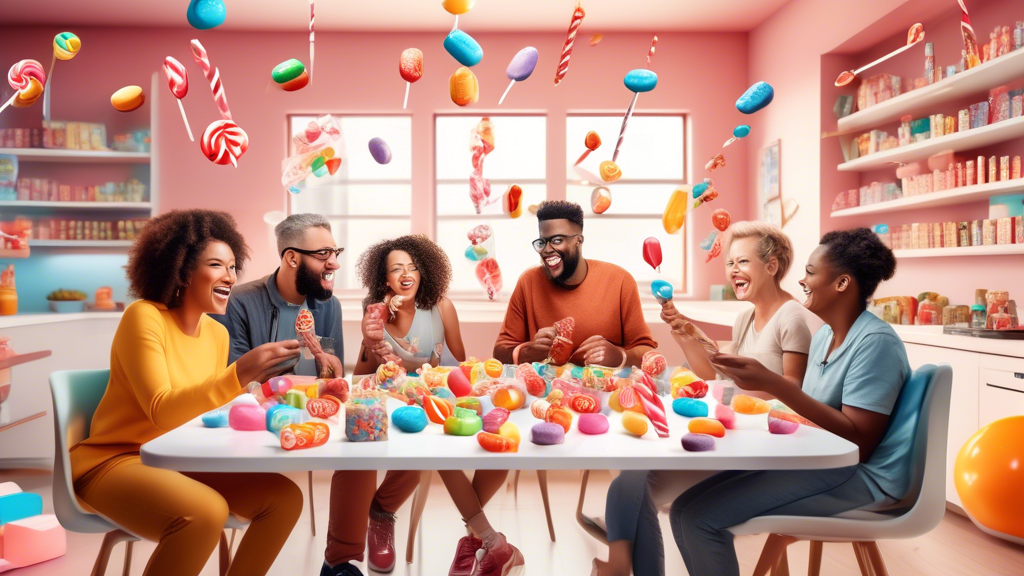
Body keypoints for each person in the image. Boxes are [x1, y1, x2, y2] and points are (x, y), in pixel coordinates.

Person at [70, 210, 303, 576]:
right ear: (181, 272)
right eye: (216, 265)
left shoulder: (217, 334)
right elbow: (162, 411)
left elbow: (203, 412)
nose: (230, 276)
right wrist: (238, 373)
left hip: (178, 459)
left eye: (232, 266)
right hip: (114, 461)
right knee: (204, 511)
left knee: (285, 499)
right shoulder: (144, 317)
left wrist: (252, 396)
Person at [670, 228, 910, 576]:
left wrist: (773, 384)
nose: (801, 279)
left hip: (855, 473)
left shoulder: (875, 343)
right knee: (682, 510)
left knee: (700, 519)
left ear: (842, 284)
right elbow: (806, 409)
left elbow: (859, 441)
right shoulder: (826, 334)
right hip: (820, 460)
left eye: (811, 272)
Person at [595, 221, 816, 576]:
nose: (733, 271)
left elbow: (794, 391)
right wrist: (682, 331)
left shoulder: (792, 317)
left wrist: (734, 389)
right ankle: (624, 567)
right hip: (731, 435)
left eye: (742, 262)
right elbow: (713, 374)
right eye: (730, 263)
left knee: (636, 482)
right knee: (631, 483)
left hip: (760, 448)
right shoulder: (746, 318)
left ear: (771, 266)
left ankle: (621, 566)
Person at [354, 236, 521, 576]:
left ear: (424, 272)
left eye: (413, 267)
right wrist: (370, 344)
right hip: (396, 405)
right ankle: (484, 539)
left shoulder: (441, 307)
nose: (406, 274)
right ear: (384, 278)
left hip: (442, 399)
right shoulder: (374, 313)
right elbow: (360, 378)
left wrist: (451, 379)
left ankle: (474, 539)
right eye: (396, 269)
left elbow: (460, 364)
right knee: (434, 446)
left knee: (500, 446)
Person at [493, 200, 657, 368]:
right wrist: (528, 351)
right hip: (547, 392)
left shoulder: (619, 281)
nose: (547, 249)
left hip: (604, 390)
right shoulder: (529, 282)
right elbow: (499, 352)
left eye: (557, 240)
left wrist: (621, 356)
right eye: (542, 242)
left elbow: (648, 352)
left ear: (578, 240)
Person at [217, 213, 344, 380]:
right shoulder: (237, 303)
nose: (335, 263)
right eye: (323, 253)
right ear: (292, 258)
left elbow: (333, 380)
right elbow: (232, 383)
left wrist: (328, 364)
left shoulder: (330, 306)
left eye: (335, 253)